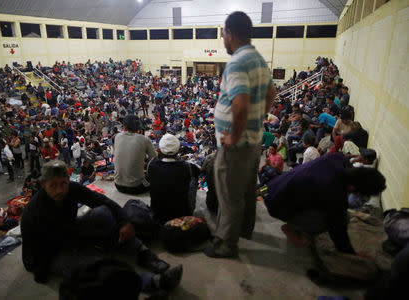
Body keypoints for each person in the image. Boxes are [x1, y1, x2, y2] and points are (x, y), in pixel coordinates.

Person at [21, 160, 176, 284]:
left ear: (69, 180)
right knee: (92, 266)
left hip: (69, 232)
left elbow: (101, 200)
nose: (59, 190)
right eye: (53, 185)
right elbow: (67, 239)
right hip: (46, 253)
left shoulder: (71, 189)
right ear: (43, 185)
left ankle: (143, 253)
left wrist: (124, 222)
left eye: (63, 183)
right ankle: (150, 282)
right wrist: (103, 242)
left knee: (103, 212)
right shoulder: (37, 211)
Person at [206, 11, 276, 258]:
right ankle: (245, 230)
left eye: (223, 33)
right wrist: (260, 117)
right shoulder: (257, 58)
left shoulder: (236, 62)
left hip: (236, 146)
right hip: (254, 140)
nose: (222, 37)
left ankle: (226, 244)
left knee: (229, 196)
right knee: (246, 191)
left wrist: (234, 137)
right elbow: (271, 93)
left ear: (231, 34)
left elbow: (241, 104)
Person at [264, 153, 386, 254]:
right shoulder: (333, 190)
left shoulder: (338, 159)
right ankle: (291, 228)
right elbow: (338, 230)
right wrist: (352, 255)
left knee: (339, 214)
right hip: (276, 205)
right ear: (355, 188)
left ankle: (297, 219)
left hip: (274, 186)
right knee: (328, 221)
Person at [147, 134, 200, 224]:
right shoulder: (189, 168)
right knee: (194, 178)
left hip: (157, 214)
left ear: (159, 150)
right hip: (181, 214)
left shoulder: (151, 165)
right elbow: (200, 170)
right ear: (179, 150)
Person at [114, 115, 157, 195]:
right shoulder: (144, 139)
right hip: (136, 187)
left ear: (124, 126)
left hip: (117, 185)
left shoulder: (117, 136)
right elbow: (154, 159)